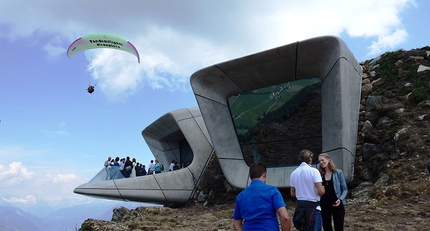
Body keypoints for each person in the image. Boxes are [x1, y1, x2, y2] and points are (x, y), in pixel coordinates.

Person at [233, 162, 291, 231]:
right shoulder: (272, 191)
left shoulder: (240, 196)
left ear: (250, 176)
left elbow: (236, 224)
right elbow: (285, 217)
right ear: (264, 174)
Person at [290, 149, 325, 231]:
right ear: (310, 158)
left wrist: (302, 193)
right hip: (313, 208)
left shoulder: (294, 173)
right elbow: (321, 191)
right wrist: (323, 188)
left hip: (300, 208)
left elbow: (292, 193)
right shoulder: (313, 171)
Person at [318, 153, 348, 231]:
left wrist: (340, 199)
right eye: (319, 161)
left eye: (322, 160)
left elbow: (345, 189)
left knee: (339, 228)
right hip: (324, 206)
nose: (321, 162)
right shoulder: (319, 175)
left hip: (337, 204)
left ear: (328, 160)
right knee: (327, 228)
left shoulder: (338, 173)